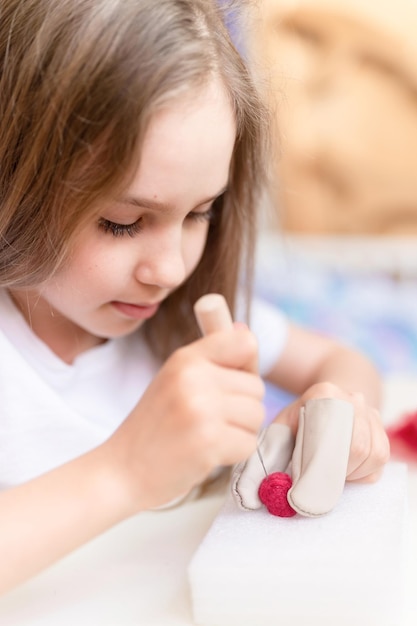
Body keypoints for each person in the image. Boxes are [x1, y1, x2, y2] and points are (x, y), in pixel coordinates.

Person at [0, 0, 388, 595]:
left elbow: (337, 360)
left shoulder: (194, 309)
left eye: (200, 212)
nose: (173, 268)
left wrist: (337, 412)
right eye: (123, 223)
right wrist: (126, 470)